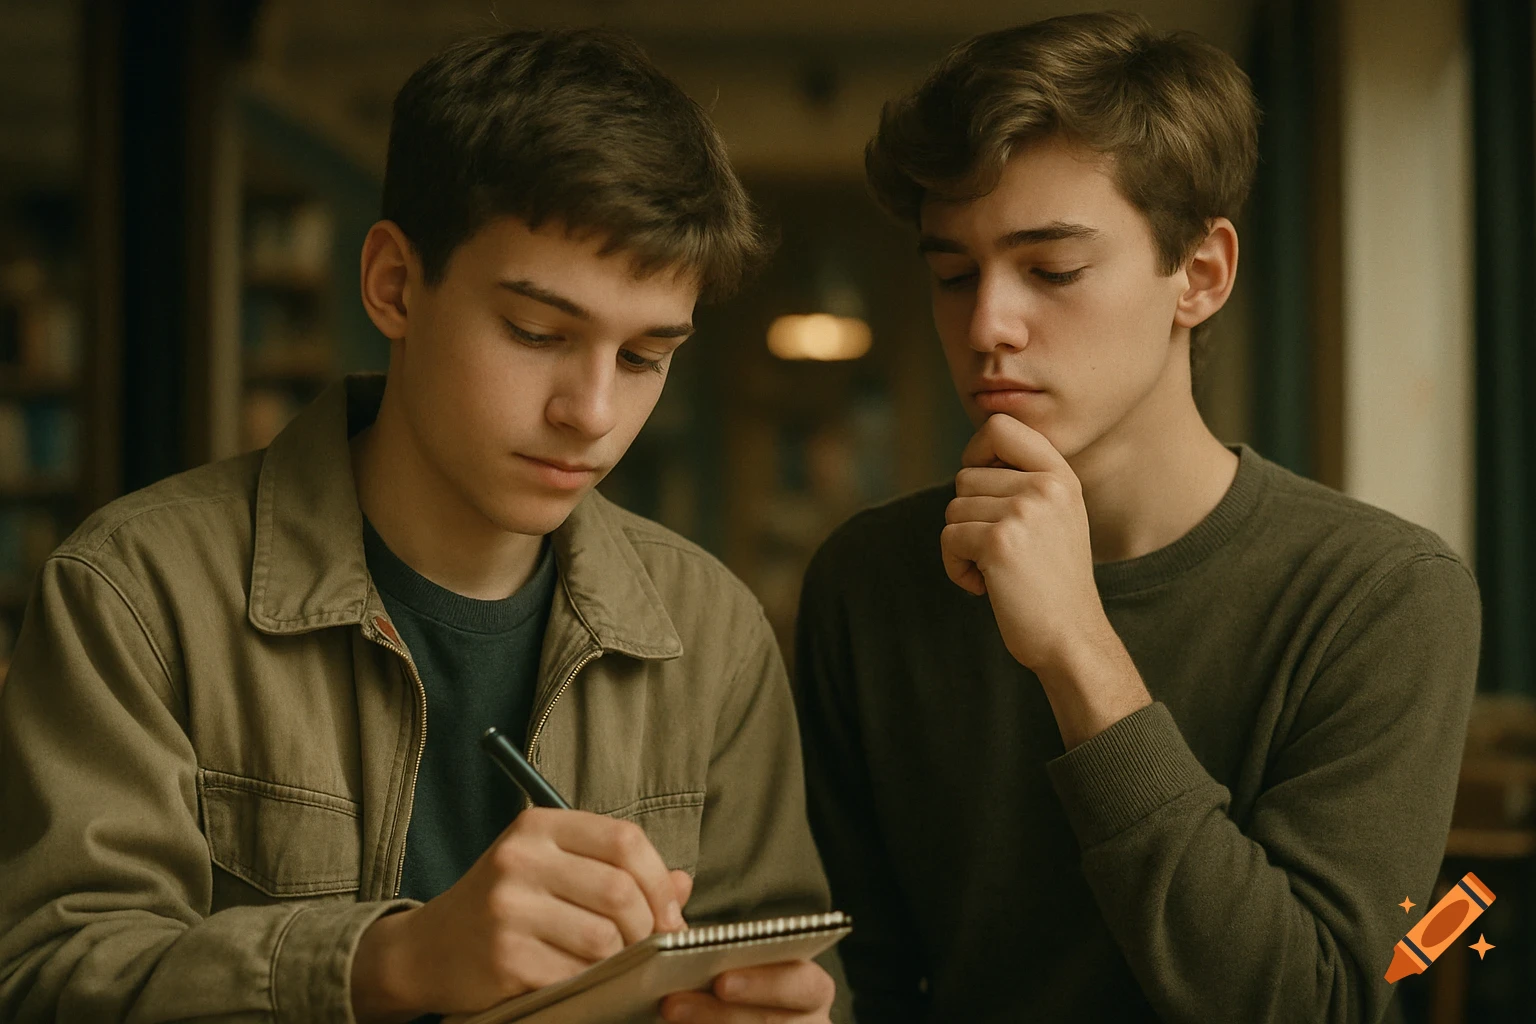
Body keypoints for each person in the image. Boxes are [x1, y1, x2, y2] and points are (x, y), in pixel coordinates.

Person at [0, 29, 839, 1024]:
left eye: (645, 357)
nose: (593, 412)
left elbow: (789, 965)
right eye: (538, 333)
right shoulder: (138, 591)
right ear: (395, 284)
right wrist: (390, 959)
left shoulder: (713, 629)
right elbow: (46, 980)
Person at [793, 12, 1480, 1024]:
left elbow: (1315, 1003)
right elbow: (864, 979)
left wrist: (1079, 649)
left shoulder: (1381, 592)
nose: (987, 325)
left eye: (1052, 269)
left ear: (1201, 275)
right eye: (952, 273)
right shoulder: (872, 577)